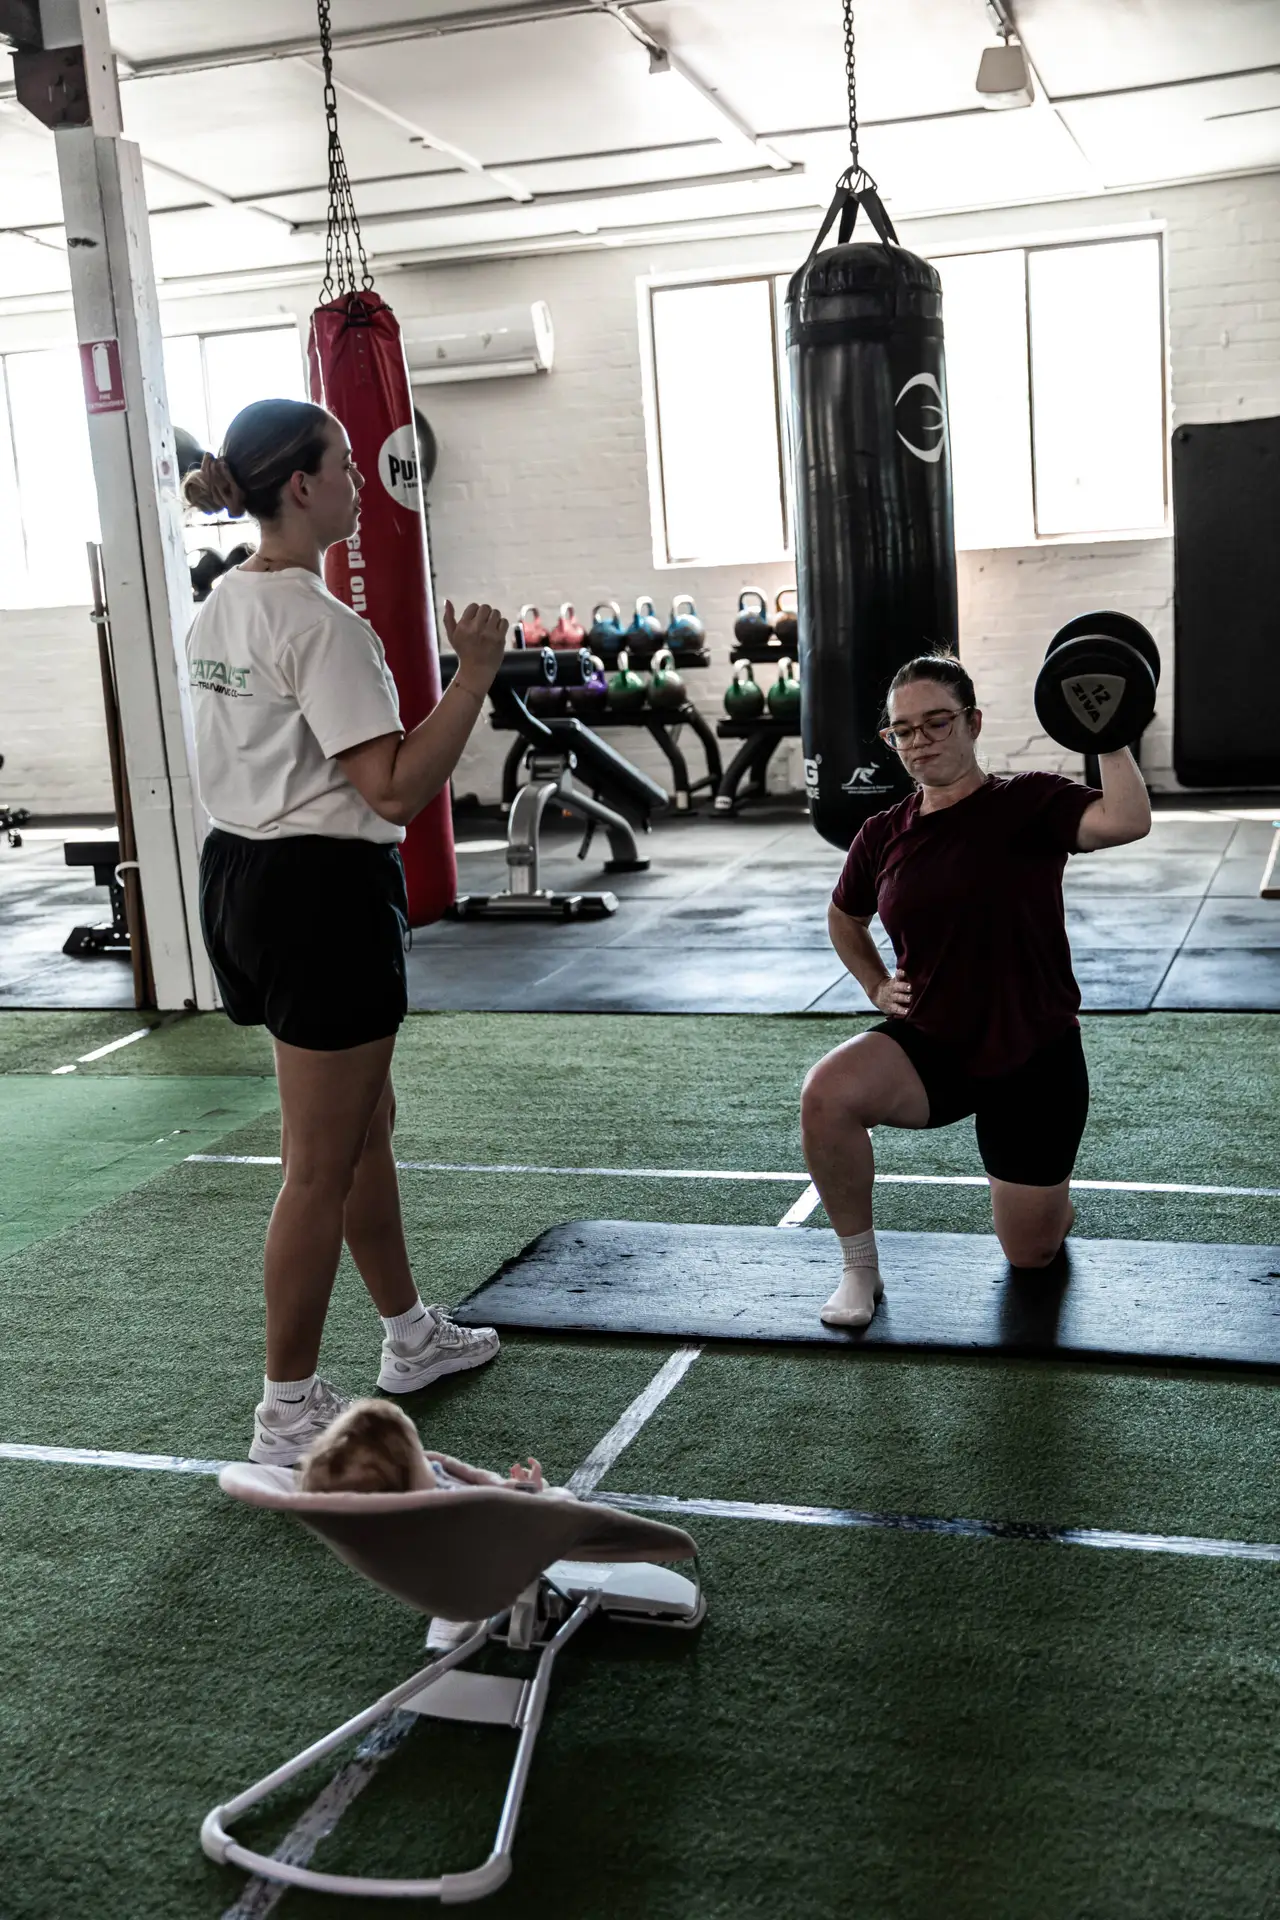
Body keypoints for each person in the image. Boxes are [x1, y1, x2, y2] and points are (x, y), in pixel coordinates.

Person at [182, 396, 508, 1464]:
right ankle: (285, 1413)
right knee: (317, 1164)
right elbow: (393, 791)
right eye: (346, 465)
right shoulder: (321, 624)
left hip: (242, 878)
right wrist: (470, 677)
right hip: (319, 893)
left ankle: (410, 1336)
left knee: (363, 1127)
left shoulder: (222, 601)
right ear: (302, 486)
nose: (363, 481)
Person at [801, 651, 1152, 1328]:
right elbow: (844, 916)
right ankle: (859, 1270)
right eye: (904, 730)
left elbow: (1126, 821)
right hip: (932, 1045)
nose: (920, 740)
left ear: (973, 723)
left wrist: (1110, 731)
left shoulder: (1029, 802)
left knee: (1030, 1254)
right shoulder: (883, 833)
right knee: (826, 1094)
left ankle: (1049, 1204)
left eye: (937, 722)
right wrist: (876, 985)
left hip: (1033, 1058)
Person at [298, 1399, 548, 1496]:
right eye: (418, 1455)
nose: (428, 1461)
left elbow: (478, 1479)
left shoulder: (399, 1527)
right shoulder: (454, 1502)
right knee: (553, 1495)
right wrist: (528, 1489)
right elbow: (506, 1508)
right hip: (499, 1554)